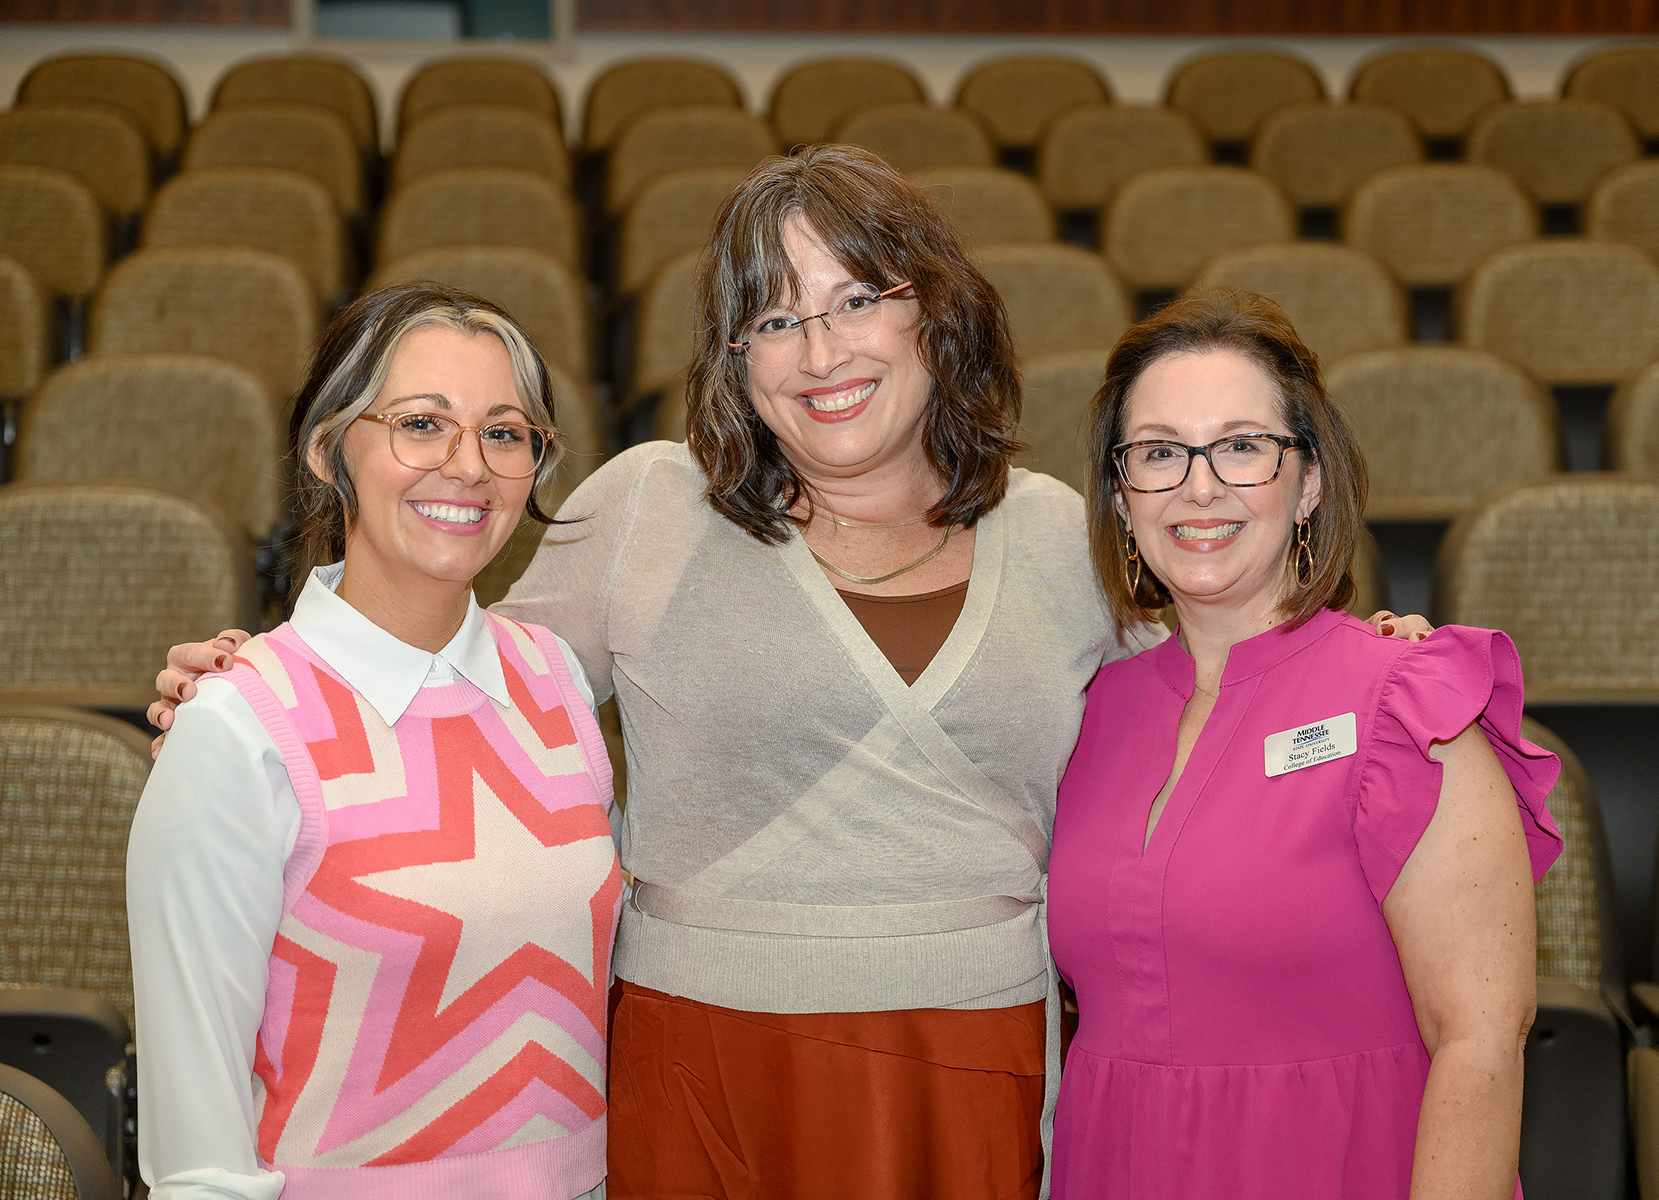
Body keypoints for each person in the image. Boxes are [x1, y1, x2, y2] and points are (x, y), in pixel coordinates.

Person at [149, 147, 1426, 1199]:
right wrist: (261, 680)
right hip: (698, 1072)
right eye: (773, 317)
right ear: (735, 362)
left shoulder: (1063, 537)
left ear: (940, 314)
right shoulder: (646, 509)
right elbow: (452, 674)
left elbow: (1224, 675)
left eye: (858, 299)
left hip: (973, 1066)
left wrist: (1371, 663)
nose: (821, 352)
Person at [1046, 288, 1564, 1200]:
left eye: (1243, 447)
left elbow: (1482, 1040)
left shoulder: (1405, 702)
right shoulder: (1089, 709)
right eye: (1159, 454)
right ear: (1122, 500)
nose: (1200, 487)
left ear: (1310, 481)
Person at [128, 283, 622, 1200]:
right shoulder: (236, 728)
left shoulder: (558, 683)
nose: (468, 465)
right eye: (423, 424)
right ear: (328, 449)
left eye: (506, 432)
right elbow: (198, 1160)